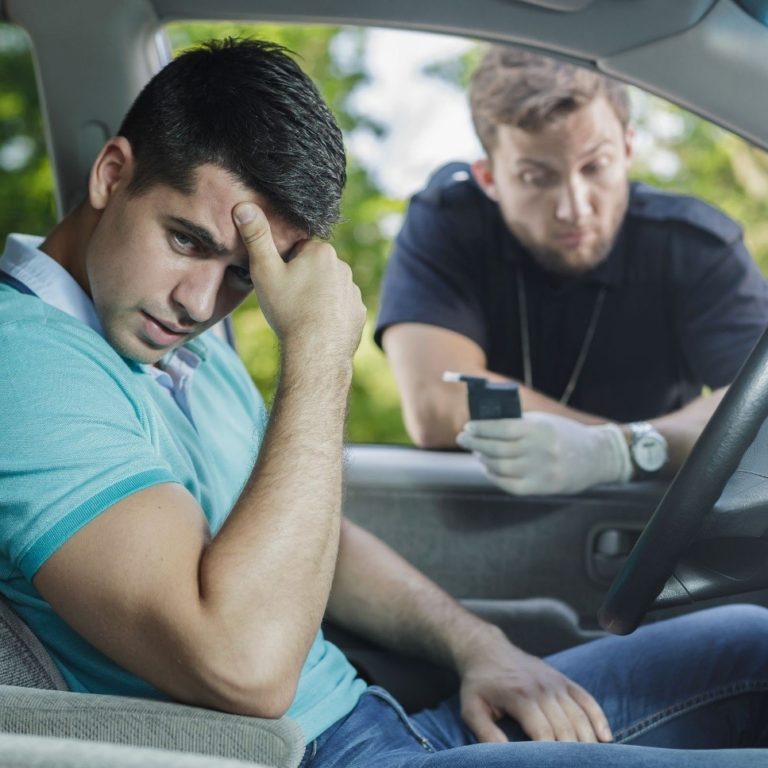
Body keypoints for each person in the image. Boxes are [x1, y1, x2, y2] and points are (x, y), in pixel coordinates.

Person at [1, 37, 768, 768]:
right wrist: (319, 349)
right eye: (187, 240)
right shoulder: (27, 360)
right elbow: (245, 666)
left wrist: (480, 647)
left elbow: (309, 539)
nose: (201, 302)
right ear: (110, 174)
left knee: (747, 641)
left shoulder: (171, 338)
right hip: (311, 755)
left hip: (382, 724)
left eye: (243, 275)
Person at [375, 47, 768, 496]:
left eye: (595, 166)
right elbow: (437, 402)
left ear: (627, 148)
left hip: (647, 524)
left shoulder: (695, 247)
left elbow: (760, 413)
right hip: (483, 515)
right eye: (536, 177)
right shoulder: (448, 222)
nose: (574, 208)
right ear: (488, 178)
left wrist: (615, 451)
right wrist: (650, 442)